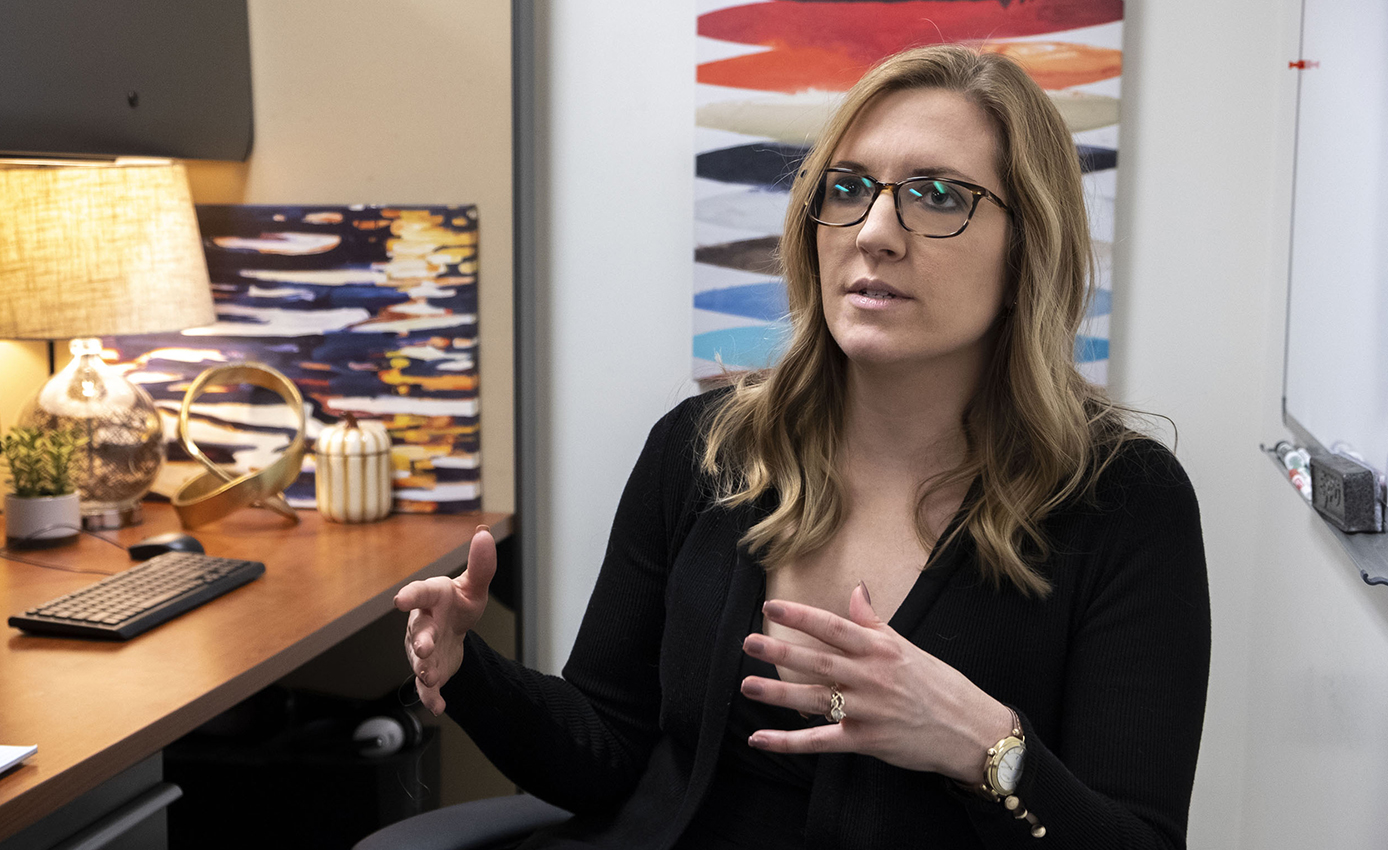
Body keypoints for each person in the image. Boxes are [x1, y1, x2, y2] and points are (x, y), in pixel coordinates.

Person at [395, 44, 1210, 849]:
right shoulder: (704, 447)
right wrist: (467, 668)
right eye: (849, 188)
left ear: (1027, 244)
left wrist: (985, 747)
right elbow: (608, 752)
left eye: (936, 195)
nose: (876, 232)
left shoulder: (1124, 501)